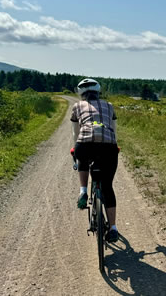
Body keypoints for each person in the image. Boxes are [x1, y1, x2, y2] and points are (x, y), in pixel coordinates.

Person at [70, 78, 119, 243]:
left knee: (82, 156)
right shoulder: (109, 106)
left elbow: (76, 134)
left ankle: (83, 191)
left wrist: (74, 150)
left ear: (81, 94)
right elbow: (114, 130)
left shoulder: (77, 106)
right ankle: (113, 228)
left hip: (85, 145)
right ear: (98, 92)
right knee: (107, 187)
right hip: (108, 147)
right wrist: (114, 146)